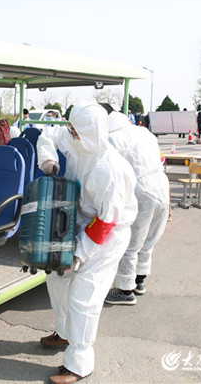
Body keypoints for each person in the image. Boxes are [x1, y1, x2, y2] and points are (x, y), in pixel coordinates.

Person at [36, 104, 138, 384]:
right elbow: (48, 134)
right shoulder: (78, 141)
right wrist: (47, 158)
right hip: (79, 224)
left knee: (84, 296)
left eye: (74, 130)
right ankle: (64, 332)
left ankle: (79, 362)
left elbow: (106, 221)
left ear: (89, 132)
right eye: (70, 128)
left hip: (106, 236)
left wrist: (80, 254)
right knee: (57, 279)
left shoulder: (109, 169)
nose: (69, 133)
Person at [97, 104, 170, 306]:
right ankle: (140, 281)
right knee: (148, 239)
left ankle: (124, 290)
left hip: (140, 190)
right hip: (162, 184)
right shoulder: (142, 131)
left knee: (130, 240)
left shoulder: (112, 138)